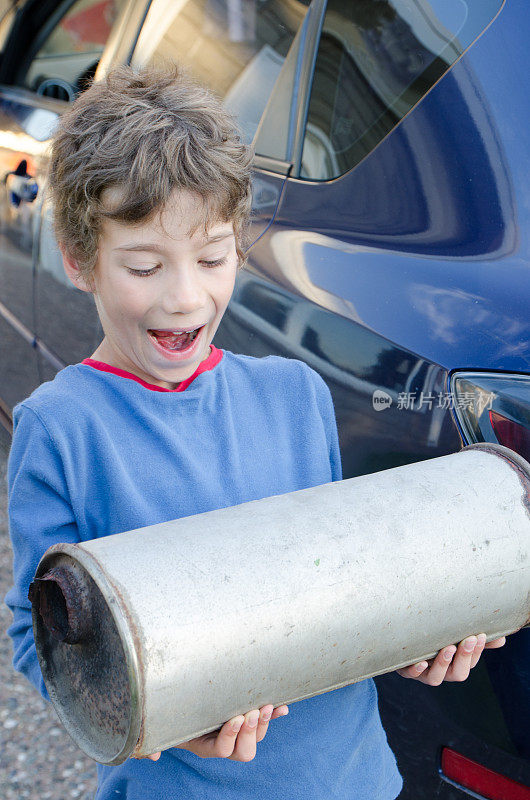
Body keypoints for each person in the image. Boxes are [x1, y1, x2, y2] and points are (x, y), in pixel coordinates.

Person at [4, 63, 505, 800]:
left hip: (355, 781)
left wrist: (419, 640)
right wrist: (156, 723)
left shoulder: (293, 394)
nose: (185, 295)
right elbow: (36, 639)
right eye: (144, 265)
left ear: (238, 246)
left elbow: (339, 588)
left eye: (211, 257)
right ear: (81, 261)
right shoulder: (64, 429)